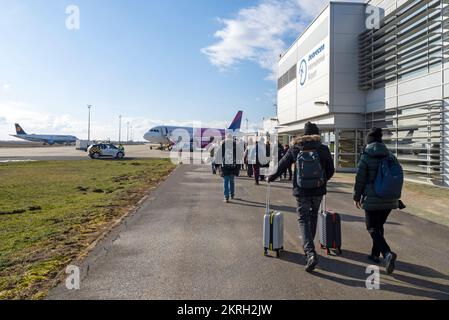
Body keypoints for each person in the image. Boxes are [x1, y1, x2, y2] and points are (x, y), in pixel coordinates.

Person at [267, 122, 334, 272]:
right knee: (313, 216)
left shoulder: (296, 148)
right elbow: (331, 170)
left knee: (303, 219)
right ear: (317, 134)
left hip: (301, 190)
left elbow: (282, 165)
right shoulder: (322, 149)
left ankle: (310, 252)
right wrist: (322, 180)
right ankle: (309, 249)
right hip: (318, 190)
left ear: (304, 134)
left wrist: (271, 177)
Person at [353, 128, 399, 274]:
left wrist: (356, 197)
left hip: (372, 198)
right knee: (378, 226)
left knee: (371, 227)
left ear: (369, 141)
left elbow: (359, 179)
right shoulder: (390, 156)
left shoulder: (366, 157)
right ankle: (375, 254)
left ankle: (387, 253)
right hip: (389, 198)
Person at [217, 135, 239, 203]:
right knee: (232, 181)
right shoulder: (235, 144)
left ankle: (226, 197)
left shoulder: (223, 144)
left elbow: (218, 154)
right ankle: (232, 194)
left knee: (226, 181)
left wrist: (217, 165)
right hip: (233, 166)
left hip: (225, 166)